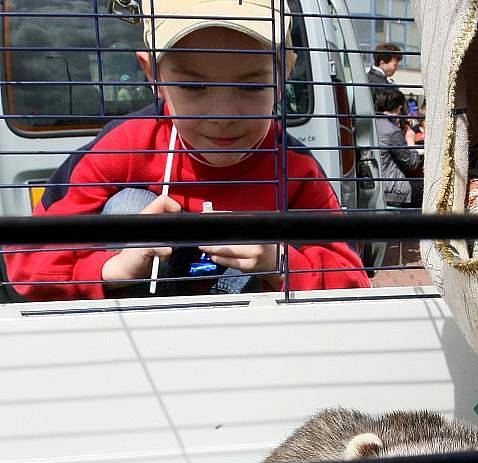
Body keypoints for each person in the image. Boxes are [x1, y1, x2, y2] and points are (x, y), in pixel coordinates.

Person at [4, 0, 370, 301]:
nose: (223, 116)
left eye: (249, 88)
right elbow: (25, 260)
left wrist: (279, 260)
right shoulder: (126, 145)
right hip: (143, 341)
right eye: (194, 87)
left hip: (251, 344)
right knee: (129, 207)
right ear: (154, 75)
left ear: (283, 75)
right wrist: (113, 267)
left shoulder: (295, 168)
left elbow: (355, 283)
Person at [374, 88, 423, 208]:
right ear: (399, 108)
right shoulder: (392, 131)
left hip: (376, 185)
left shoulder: (372, 123)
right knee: (426, 187)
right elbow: (411, 164)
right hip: (392, 190)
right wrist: (410, 140)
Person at [366, 42, 402, 109]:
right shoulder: (382, 84)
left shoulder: (366, 78)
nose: (396, 68)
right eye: (395, 65)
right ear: (382, 63)